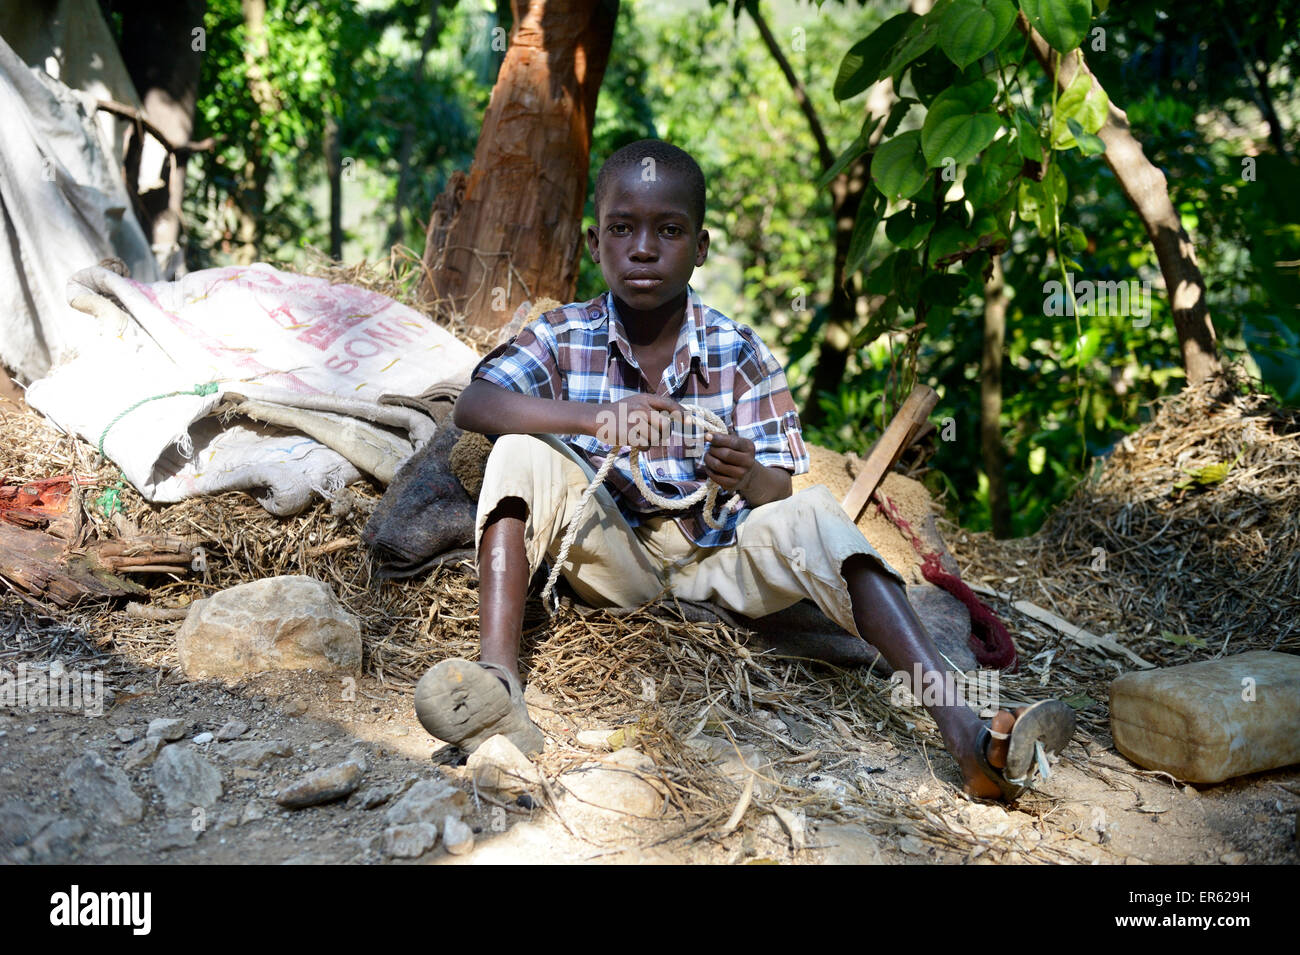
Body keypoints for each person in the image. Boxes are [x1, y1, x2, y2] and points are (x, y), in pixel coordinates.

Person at [415, 139, 1074, 801]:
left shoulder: (739, 349)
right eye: (622, 229)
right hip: (609, 555)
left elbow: (778, 489)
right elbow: (477, 404)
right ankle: (497, 683)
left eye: (669, 231)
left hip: (716, 562)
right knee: (516, 451)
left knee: (816, 513)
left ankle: (962, 730)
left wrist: (744, 472)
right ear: (594, 244)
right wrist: (592, 418)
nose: (643, 248)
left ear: (700, 247)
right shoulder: (565, 333)